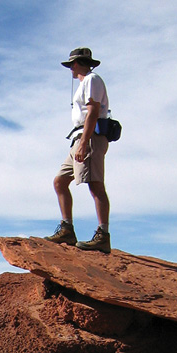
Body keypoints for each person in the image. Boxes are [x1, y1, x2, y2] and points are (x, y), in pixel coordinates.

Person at [45, 47, 111, 253]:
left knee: (95, 185)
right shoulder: (85, 83)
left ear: (75, 64)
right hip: (79, 137)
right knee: (60, 181)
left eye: (71, 65)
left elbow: (92, 111)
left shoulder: (92, 80)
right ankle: (67, 229)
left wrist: (84, 141)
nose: (70, 70)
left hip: (88, 137)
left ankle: (103, 235)